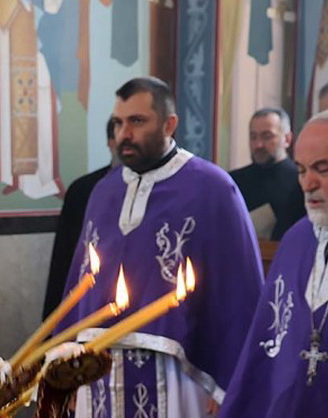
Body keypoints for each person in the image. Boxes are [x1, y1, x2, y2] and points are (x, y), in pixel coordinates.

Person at [56, 77, 263, 417]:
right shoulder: (104, 192)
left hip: (179, 370)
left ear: (169, 124)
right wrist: (66, 367)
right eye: (119, 123)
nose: (125, 134)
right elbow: (80, 285)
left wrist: (229, 383)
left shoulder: (212, 188)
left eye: (137, 121)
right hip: (98, 367)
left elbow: (240, 290)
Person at [220, 107, 328, 417]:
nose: (308, 183)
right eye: (302, 170)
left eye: (323, 169)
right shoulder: (296, 240)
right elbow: (262, 352)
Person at [42, 117, 121, 320]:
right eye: (120, 134)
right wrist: (53, 318)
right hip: (89, 301)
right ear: (110, 142)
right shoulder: (83, 190)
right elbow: (64, 258)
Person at [230, 108, 306, 241]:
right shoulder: (233, 181)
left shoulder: (303, 180)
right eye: (253, 137)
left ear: (287, 139)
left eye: (267, 136)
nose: (258, 144)